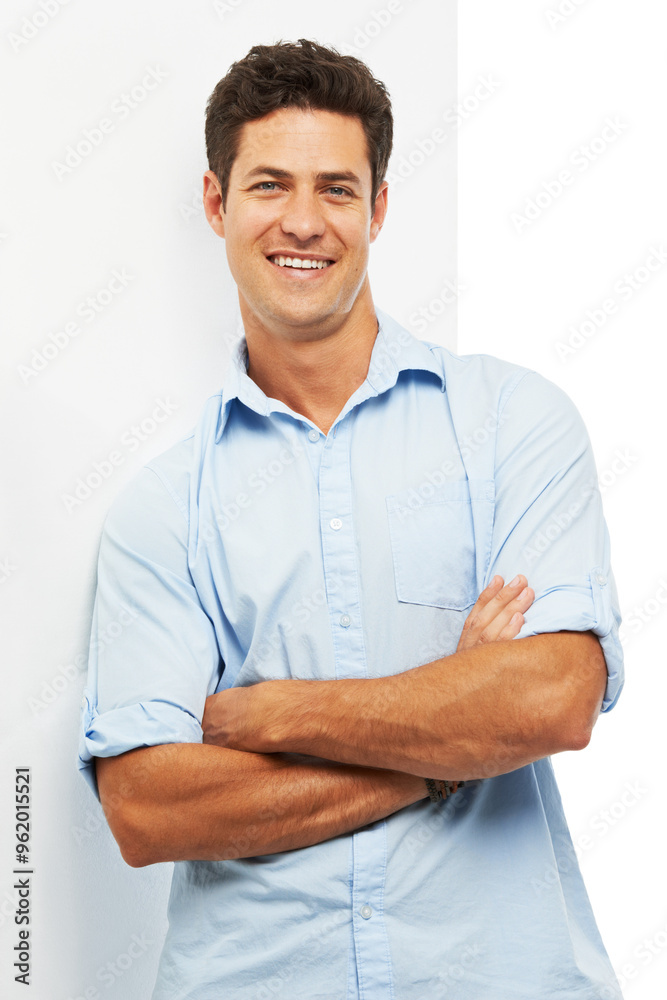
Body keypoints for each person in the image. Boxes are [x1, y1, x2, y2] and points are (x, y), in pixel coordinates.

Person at [78, 39, 624, 1000]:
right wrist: (444, 750)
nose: (303, 221)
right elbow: (151, 810)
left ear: (376, 209)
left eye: (336, 189)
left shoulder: (510, 424)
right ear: (216, 203)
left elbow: (550, 700)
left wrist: (272, 712)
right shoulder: (163, 509)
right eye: (269, 185)